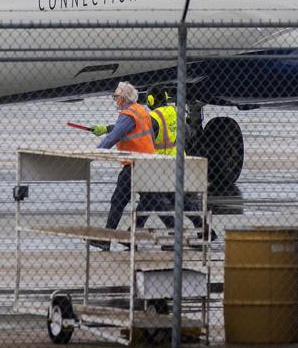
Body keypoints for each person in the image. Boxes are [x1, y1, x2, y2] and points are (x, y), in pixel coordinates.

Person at [138, 87, 214, 242]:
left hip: (160, 165)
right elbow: (189, 132)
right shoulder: (176, 112)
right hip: (178, 161)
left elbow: (143, 139)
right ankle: (204, 229)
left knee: (152, 198)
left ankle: (141, 231)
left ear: (151, 101)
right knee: (170, 198)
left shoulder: (152, 117)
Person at [88, 82, 155, 248]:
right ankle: (133, 233)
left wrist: (94, 153)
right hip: (148, 163)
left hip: (134, 164)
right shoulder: (141, 110)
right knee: (150, 201)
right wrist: (106, 128)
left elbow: (114, 137)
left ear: (124, 98)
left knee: (118, 200)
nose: (115, 100)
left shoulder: (128, 114)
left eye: (117, 97)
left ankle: (107, 238)